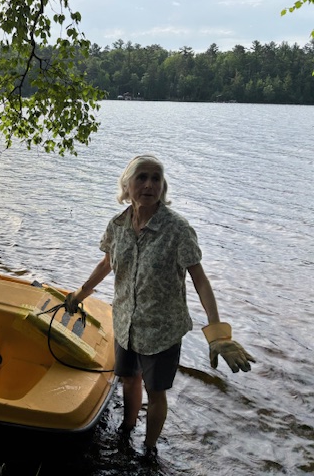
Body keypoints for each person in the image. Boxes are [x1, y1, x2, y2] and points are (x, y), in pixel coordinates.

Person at [65, 154, 255, 460]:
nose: (149, 184)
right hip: (126, 322)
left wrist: (218, 331)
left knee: (156, 393)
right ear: (127, 185)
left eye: (156, 178)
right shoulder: (117, 225)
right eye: (142, 177)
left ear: (163, 186)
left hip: (163, 329)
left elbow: (200, 281)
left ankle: (149, 448)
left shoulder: (177, 229)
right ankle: (126, 428)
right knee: (128, 379)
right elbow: (107, 263)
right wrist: (80, 294)